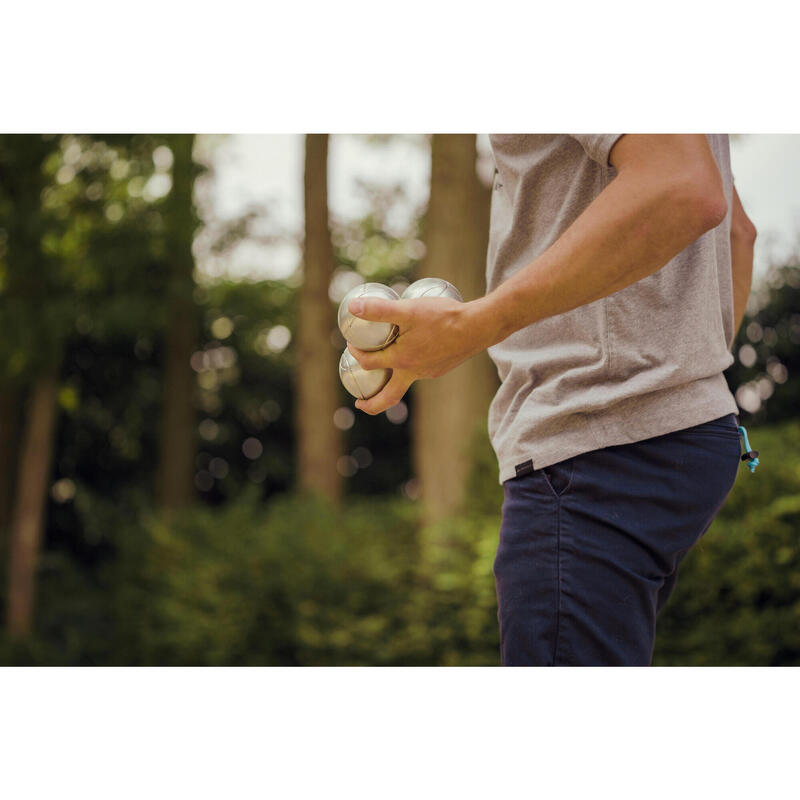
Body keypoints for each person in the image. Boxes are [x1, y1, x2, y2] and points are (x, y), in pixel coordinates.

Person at [346, 134, 757, 666]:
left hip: (593, 444)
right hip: (683, 433)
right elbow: (738, 234)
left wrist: (476, 325)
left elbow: (683, 187)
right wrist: (682, 387)